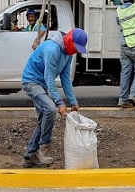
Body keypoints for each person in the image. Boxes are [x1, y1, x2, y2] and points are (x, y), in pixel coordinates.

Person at [20, 27, 86, 168]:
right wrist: (59, 103)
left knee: (44, 117)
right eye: (76, 47)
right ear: (69, 40)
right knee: (50, 109)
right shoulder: (52, 49)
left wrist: (73, 102)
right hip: (31, 81)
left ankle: (30, 155)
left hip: (42, 83)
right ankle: (44, 147)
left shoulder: (68, 53)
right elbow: (49, 78)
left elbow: (65, 79)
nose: (76, 51)